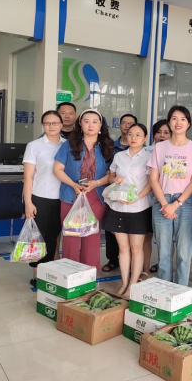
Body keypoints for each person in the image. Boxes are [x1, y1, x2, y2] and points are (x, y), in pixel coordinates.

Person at [147, 106, 192, 286]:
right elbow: (153, 178)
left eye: (183, 119)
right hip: (161, 201)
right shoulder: (159, 147)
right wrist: (165, 204)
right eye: (174, 118)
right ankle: (165, 290)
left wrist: (176, 204)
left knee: (183, 252)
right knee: (163, 252)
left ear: (188, 123)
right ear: (169, 122)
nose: (178, 122)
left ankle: (181, 292)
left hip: (185, 203)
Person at [53, 109, 114, 269]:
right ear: (80, 124)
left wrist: (97, 183)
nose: (90, 125)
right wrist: (73, 184)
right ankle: (69, 274)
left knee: (92, 238)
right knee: (71, 238)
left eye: (95, 121)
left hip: (96, 197)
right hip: (71, 195)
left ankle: (89, 275)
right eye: (86, 121)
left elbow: (112, 175)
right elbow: (57, 169)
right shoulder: (68, 145)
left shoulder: (107, 146)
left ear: (100, 125)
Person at [102, 123, 154, 299]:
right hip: (118, 206)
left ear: (145, 138)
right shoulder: (119, 156)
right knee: (123, 248)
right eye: (131, 134)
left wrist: (136, 198)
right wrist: (114, 179)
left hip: (139, 208)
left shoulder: (149, 157)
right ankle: (124, 283)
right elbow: (110, 175)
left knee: (136, 248)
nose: (133, 137)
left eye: (138, 135)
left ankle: (132, 284)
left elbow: (151, 183)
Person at [22, 111, 66, 287]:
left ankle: (48, 272)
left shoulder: (67, 145)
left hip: (61, 198)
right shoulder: (34, 146)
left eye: (55, 123)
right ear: (42, 125)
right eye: (48, 123)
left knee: (53, 236)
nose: (51, 126)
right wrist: (28, 202)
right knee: (37, 238)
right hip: (40, 197)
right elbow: (28, 177)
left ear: (61, 125)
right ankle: (36, 274)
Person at [147, 119, 171, 274]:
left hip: (165, 200)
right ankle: (143, 265)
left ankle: (163, 263)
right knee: (147, 235)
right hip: (146, 199)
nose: (162, 136)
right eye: (158, 132)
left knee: (165, 237)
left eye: (166, 132)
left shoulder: (174, 152)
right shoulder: (146, 151)